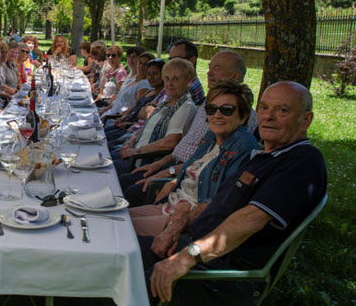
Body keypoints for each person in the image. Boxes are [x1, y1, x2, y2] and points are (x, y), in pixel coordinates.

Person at [142, 81, 326, 305]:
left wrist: (185, 257)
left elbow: (252, 219)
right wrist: (177, 226)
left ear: (306, 120)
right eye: (264, 108)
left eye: (282, 110)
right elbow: (216, 205)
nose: (268, 117)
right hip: (192, 248)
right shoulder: (263, 157)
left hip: (218, 276)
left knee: (114, 278)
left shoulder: (302, 160)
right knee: (115, 251)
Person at [129, 79, 260, 234]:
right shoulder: (211, 138)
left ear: (243, 116)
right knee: (112, 218)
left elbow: (223, 201)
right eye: (211, 109)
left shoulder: (242, 147)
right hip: (168, 206)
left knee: (117, 228)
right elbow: (196, 167)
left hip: (184, 221)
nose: (217, 115)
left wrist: (188, 213)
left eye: (226, 110)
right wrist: (173, 179)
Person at [130, 51, 259, 188]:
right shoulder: (205, 105)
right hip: (172, 164)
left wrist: (169, 175)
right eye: (209, 68)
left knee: (129, 186)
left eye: (216, 68)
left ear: (235, 75)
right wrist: (160, 164)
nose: (209, 73)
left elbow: (206, 167)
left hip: (186, 175)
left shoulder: (239, 117)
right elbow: (185, 146)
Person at [112, 58, 197, 177]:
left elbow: (169, 143)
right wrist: (130, 143)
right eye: (167, 78)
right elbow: (147, 126)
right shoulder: (166, 103)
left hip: (144, 163)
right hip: (134, 152)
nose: (169, 84)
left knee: (106, 169)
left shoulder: (186, 107)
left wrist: (135, 151)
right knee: (103, 155)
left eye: (176, 79)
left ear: (188, 82)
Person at [100, 52, 153, 117]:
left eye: (145, 64)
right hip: (110, 112)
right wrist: (105, 109)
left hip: (115, 117)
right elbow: (119, 99)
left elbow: (135, 108)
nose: (142, 66)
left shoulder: (144, 85)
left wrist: (120, 117)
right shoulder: (131, 79)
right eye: (140, 63)